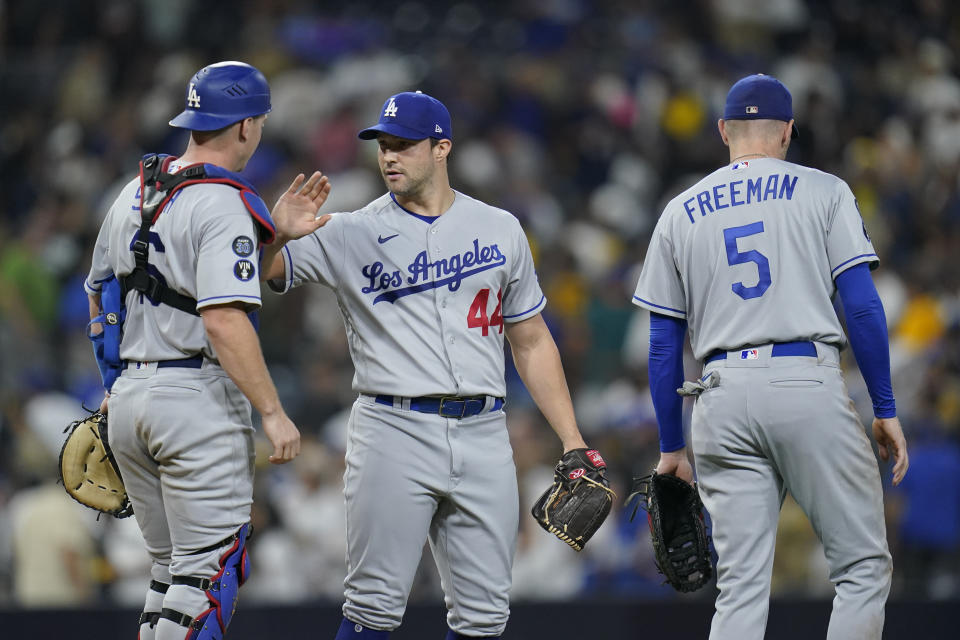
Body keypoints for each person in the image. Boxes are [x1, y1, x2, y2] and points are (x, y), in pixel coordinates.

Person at [261, 90, 603, 640]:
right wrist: (274, 234)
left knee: (485, 618)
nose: (389, 156)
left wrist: (570, 439)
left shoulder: (499, 227)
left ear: (442, 147)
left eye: (404, 146)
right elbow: (259, 276)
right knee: (372, 608)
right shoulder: (349, 230)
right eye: (384, 146)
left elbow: (532, 340)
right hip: (392, 426)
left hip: (485, 431)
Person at [632, 73, 909, 639]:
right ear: (787, 131)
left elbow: (663, 345)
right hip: (802, 380)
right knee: (860, 568)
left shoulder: (679, 211)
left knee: (739, 589)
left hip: (720, 394)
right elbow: (860, 308)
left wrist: (670, 446)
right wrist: (884, 406)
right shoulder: (823, 190)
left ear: (722, 131)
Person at [84, 61, 329, 640]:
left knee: (170, 577)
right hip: (193, 402)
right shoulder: (221, 203)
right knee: (207, 580)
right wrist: (272, 411)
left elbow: (101, 297)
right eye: (260, 122)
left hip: (132, 401)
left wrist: (114, 387)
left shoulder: (136, 189)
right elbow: (222, 318)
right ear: (245, 126)